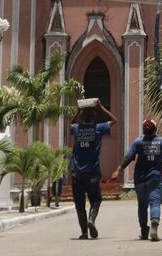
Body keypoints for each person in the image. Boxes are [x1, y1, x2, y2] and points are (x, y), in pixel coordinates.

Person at [110, 119, 162, 241]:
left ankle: (144, 231)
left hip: (140, 179)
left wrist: (118, 170)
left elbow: (128, 157)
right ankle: (154, 222)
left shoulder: (138, 142)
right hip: (155, 178)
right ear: (155, 129)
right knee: (154, 202)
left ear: (144, 130)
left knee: (142, 205)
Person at [68, 99, 117, 240]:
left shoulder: (77, 129)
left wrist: (78, 111)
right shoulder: (99, 128)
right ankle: (91, 220)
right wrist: (102, 109)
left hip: (77, 173)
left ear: (82, 118)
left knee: (79, 204)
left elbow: (69, 125)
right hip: (92, 173)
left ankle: (84, 232)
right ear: (94, 117)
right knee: (96, 200)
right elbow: (114, 120)